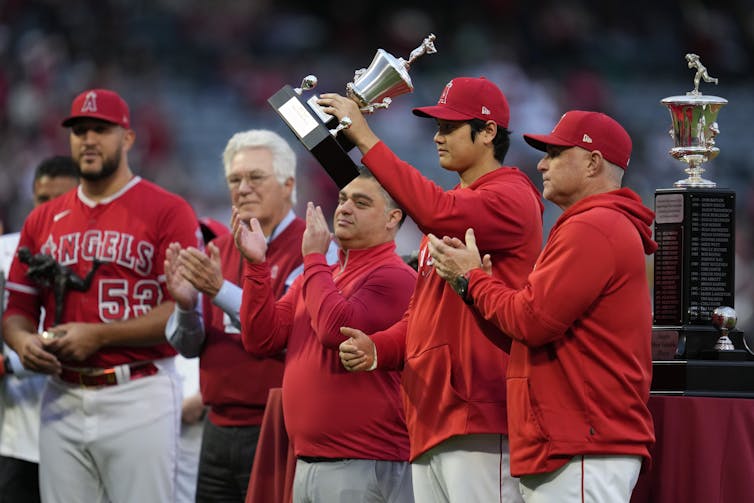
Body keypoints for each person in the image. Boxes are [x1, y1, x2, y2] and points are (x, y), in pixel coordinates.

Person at [323, 77, 543, 502]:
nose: (438, 138)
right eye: (437, 128)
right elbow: (421, 316)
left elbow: (435, 211)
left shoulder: (511, 195)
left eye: (450, 127)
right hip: (432, 416)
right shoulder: (451, 210)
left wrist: (366, 137)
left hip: (480, 412)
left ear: (489, 132)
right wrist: (378, 349)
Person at [426, 110, 657, 502]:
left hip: (583, 442)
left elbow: (532, 321)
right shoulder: (590, 224)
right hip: (571, 441)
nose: (541, 163)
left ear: (593, 162)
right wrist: (475, 288)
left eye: (555, 152)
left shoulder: (595, 225)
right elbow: (527, 330)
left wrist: (473, 279)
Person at [2, 88, 200, 503]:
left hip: (139, 390)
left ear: (127, 138)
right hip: (62, 394)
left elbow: (179, 310)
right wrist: (23, 342)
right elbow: (18, 309)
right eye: (79, 131)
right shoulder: (42, 218)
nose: (88, 139)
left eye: (100, 130)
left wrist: (99, 336)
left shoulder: (167, 210)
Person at [234, 168, 416, 503]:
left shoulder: (395, 276)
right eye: (343, 199)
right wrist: (257, 266)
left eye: (361, 203)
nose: (344, 208)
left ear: (393, 219)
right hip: (308, 460)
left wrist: (314, 257)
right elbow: (262, 339)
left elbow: (336, 330)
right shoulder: (317, 278)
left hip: (364, 462)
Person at [165, 130, 324, 502]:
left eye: (256, 177)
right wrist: (186, 307)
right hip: (217, 425)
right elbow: (189, 347)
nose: (243, 188)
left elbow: (286, 334)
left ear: (288, 184)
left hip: (280, 426)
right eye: (235, 179)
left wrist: (218, 290)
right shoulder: (217, 248)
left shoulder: (314, 247)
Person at [0, 155, 79, 503]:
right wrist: (13, 362)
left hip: (83, 430)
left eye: (61, 201)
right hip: (17, 435)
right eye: (42, 200)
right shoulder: (6, 253)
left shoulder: (100, 256)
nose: (50, 210)